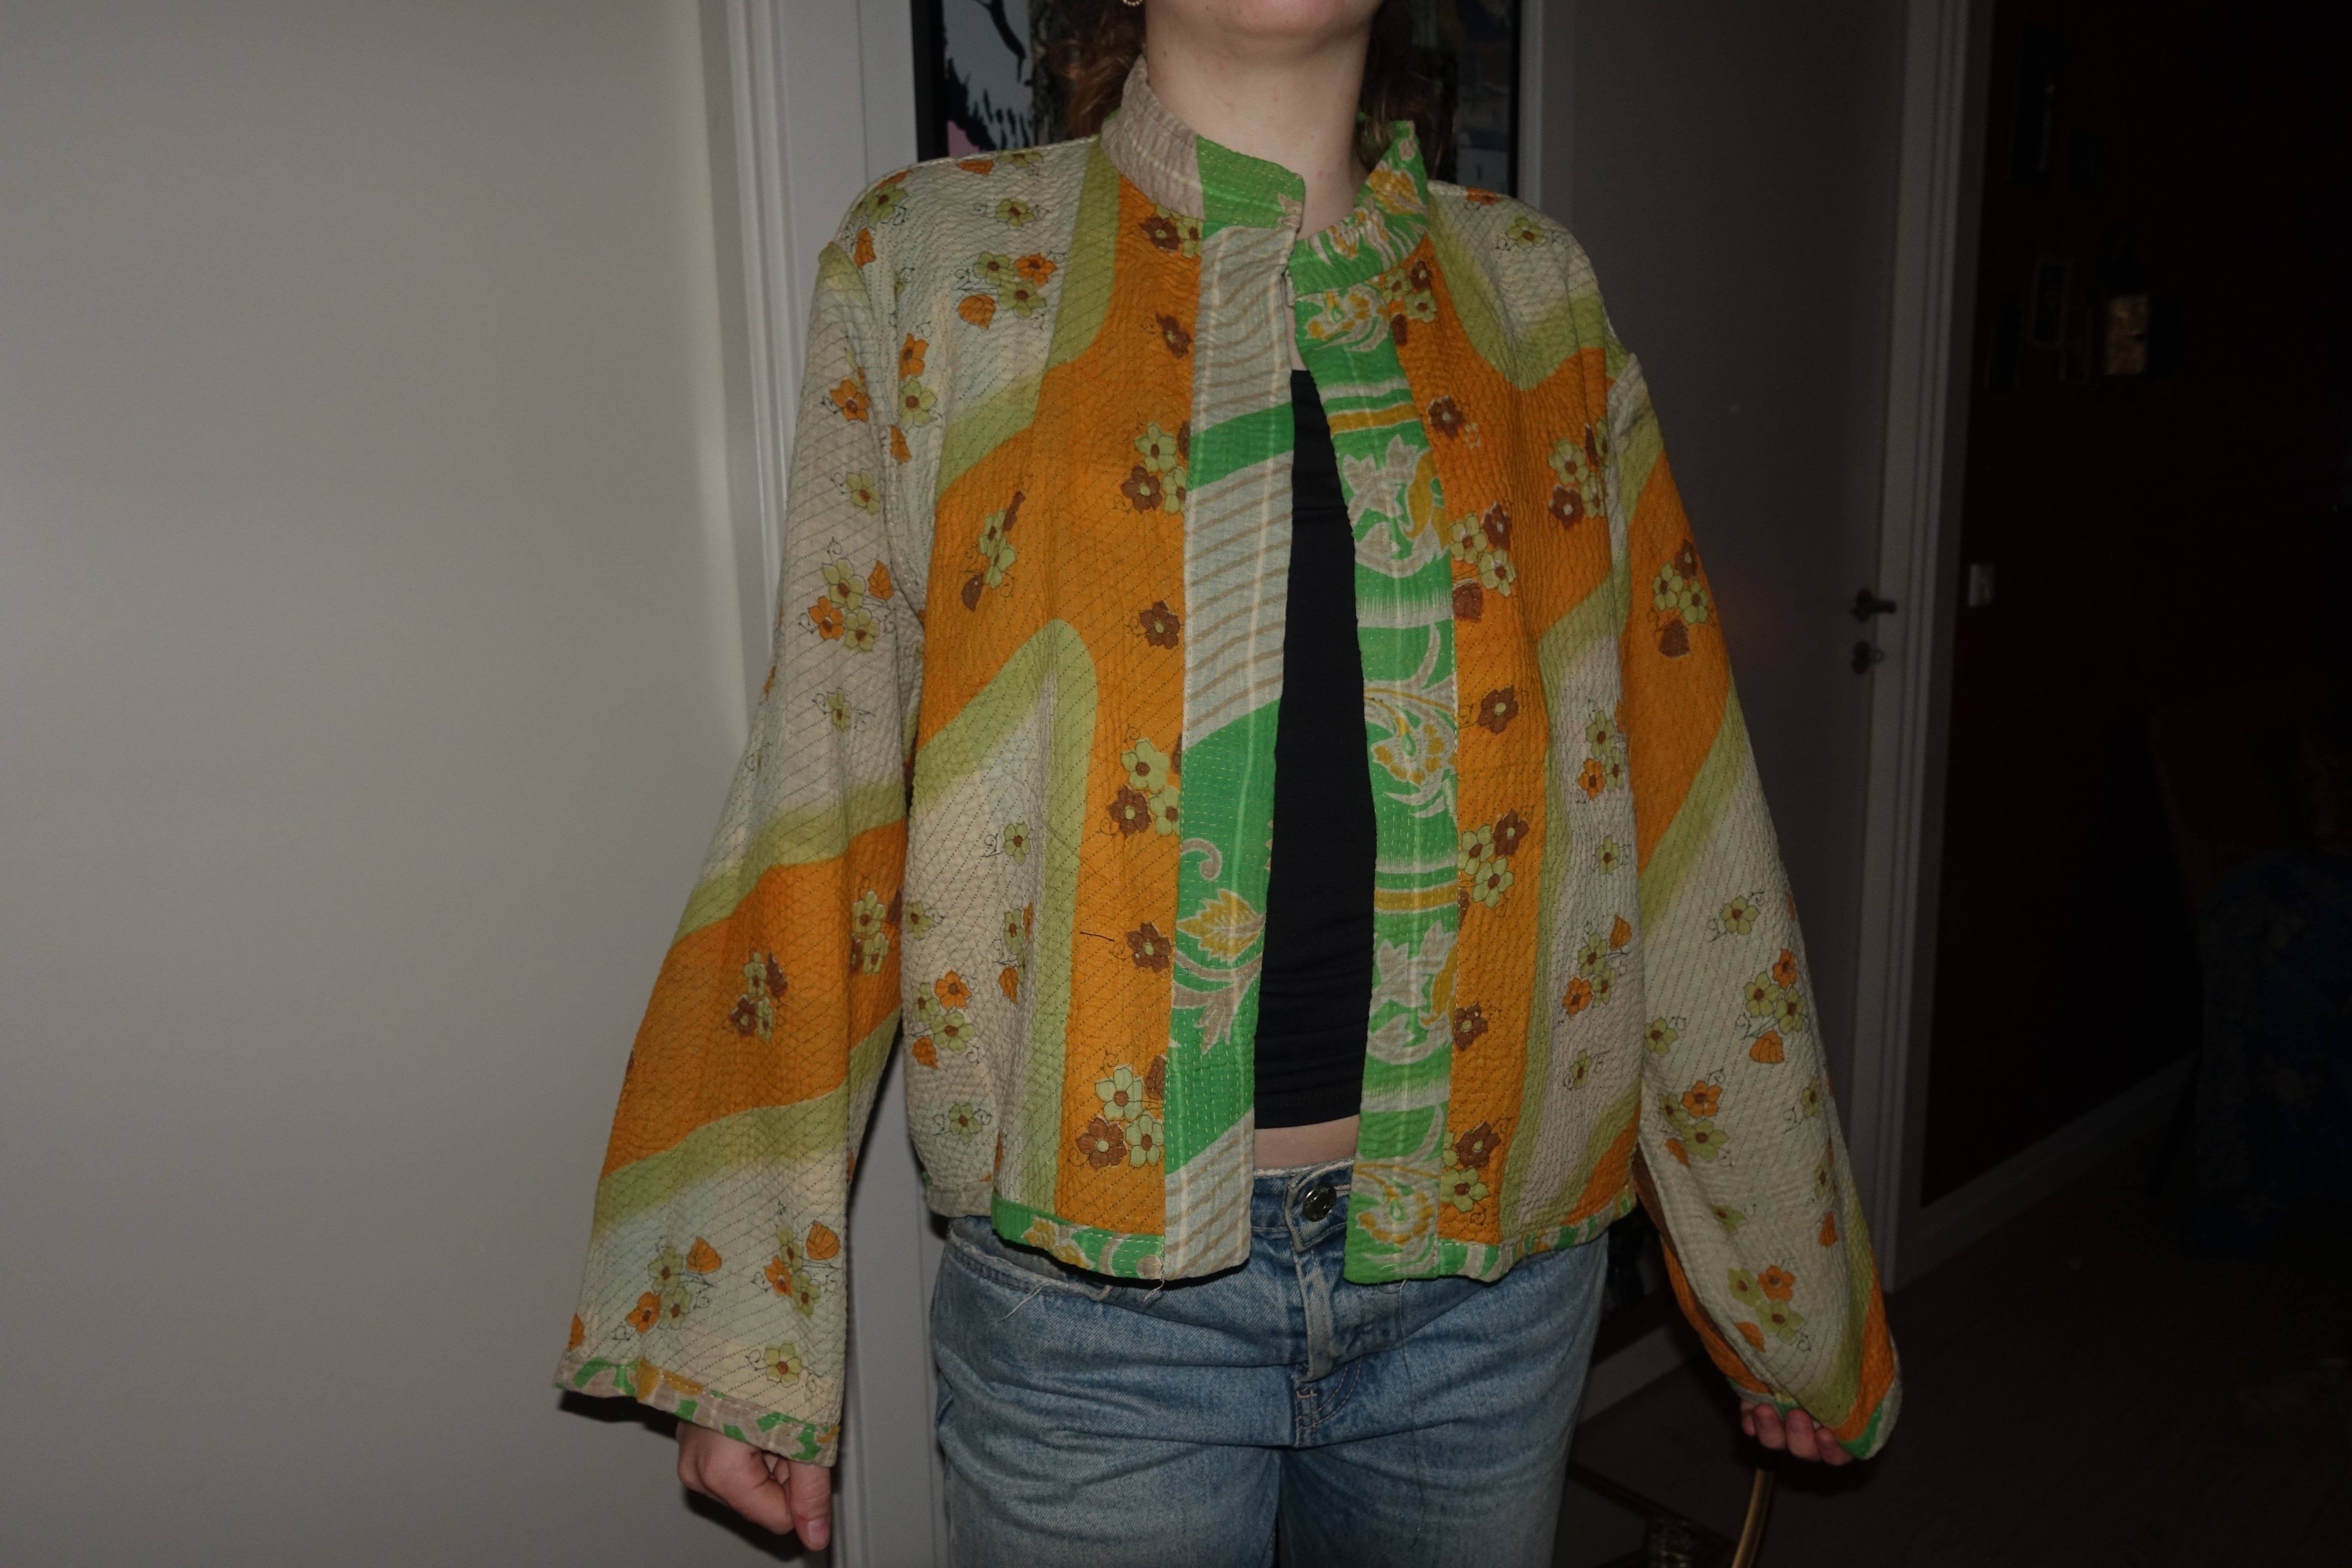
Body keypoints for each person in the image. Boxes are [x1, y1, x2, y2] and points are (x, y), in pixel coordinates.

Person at [554, 1, 1901, 1560]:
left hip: (1485, 1300)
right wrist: (741, 1316)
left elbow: (1679, 798)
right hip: (1091, 1330)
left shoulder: (1536, 294)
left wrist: (1788, 1284)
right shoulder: (934, 262)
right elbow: (828, 769)